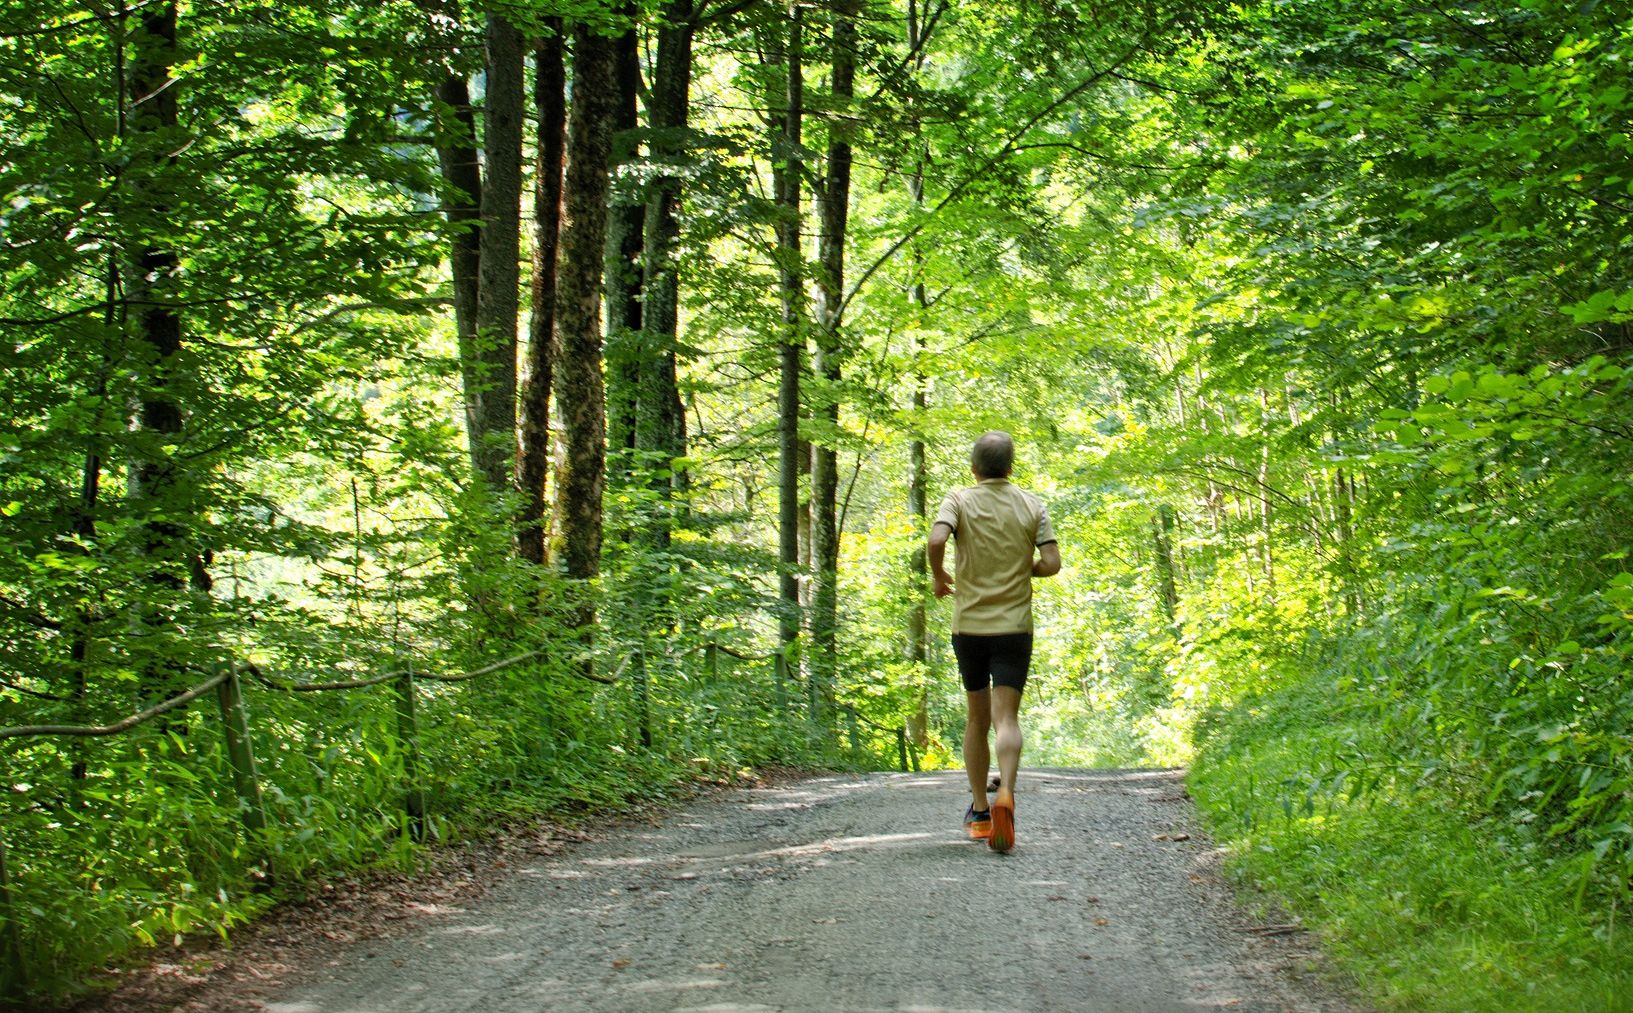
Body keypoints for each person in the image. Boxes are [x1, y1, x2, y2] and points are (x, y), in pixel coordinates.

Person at [927, 431, 1060, 853]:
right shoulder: (1031, 504)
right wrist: (1028, 570)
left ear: (974, 468)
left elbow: (935, 540)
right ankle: (1008, 795)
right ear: (1010, 467)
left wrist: (939, 574)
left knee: (976, 720)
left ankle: (982, 813)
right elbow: (1052, 563)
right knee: (1007, 720)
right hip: (1014, 627)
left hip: (969, 627)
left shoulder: (958, 499)